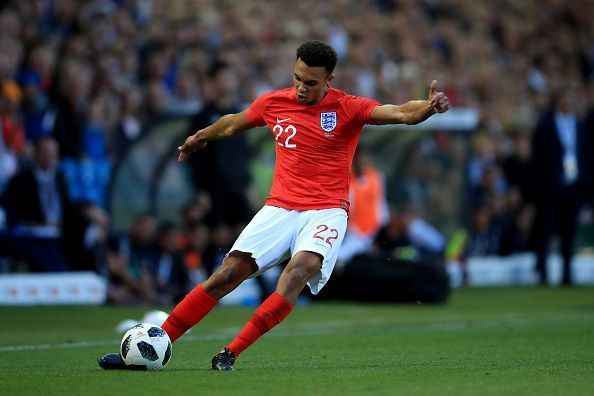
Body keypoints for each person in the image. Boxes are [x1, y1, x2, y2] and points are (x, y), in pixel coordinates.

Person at [98, 40, 448, 371]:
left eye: (310, 82)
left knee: (297, 271)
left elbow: (401, 113)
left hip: (326, 210)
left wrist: (427, 108)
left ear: (329, 80)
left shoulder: (348, 107)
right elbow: (233, 123)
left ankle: (230, 352)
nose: (301, 87)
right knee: (225, 276)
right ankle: (158, 345)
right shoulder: (273, 103)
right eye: (297, 78)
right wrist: (200, 136)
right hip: (279, 208)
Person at [531, 87, 592, 285]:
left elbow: (585, 154)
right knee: (546, 230)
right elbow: (539, 157)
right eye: (565, 98)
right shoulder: (546, 125)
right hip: (552, 187)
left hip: (573, 186)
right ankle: (543, 273)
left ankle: (567, 274)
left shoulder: (580, 125)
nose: (568, 103)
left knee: (569, 231)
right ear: (558, 101)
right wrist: (542, 185)